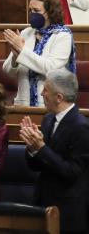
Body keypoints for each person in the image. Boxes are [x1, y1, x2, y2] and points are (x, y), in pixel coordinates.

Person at [20, 69, 89, 234]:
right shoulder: (48, 119)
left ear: (59, 97)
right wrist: (32, 147)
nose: (42, 94)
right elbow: (36, 166)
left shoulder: (81, 127)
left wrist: (41, 148)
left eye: (46, 90)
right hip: (42, 203)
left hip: (68, 212)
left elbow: (72, 172)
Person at [2, 0, 76, 107]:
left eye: (36, 11)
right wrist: (15, 56)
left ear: (50, 12)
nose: (32, 14)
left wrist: (21, 50)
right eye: (30, 10)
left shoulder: (62, 35)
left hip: (49, 104)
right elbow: (8, 71)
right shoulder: (26, 32)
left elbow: (50, 68)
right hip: (23, 104)